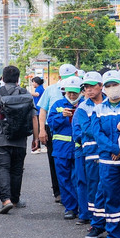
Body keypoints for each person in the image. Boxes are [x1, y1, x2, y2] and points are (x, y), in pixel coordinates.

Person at [0, 65, 35, 215]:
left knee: (2, 169)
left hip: (0, 139)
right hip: (20, 140)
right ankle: (16, 199)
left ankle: (6, 200)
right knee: (17, 170)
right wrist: (36, 138)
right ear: (18, 79)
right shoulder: (27, 94)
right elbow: (33, 117)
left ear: (2, 78)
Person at [91, 71, 120, 238]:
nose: (111, 88)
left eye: (114, 84)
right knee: (111, 199)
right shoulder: (99, 109)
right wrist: (115, 149)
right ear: (104, 89)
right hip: (108, 161)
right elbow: (98, 135)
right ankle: (114, 235)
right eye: (108, 86)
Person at [72, 71, 104, 231]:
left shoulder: (110, 103)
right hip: (92, 152)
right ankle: (96, 222)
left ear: (101, 86)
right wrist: (107, 134)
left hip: (110, 154)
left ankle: (116, 223)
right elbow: (86, 130)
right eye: (86, 87)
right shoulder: (83, 108)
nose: (89, 90)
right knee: (93, 187)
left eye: (92, 86)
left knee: (111, 188)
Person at [46, 78, 82, 219]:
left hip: (78, 149)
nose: (72, 95)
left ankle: (82, 207)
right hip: (61, 150)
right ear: (65, 92)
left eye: (75, 93)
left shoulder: (84, 105)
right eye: (70, 93)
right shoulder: (58, 105)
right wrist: (62, 116)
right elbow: (51, 123)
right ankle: (70, 208)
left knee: (78, 179)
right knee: (64, 179)